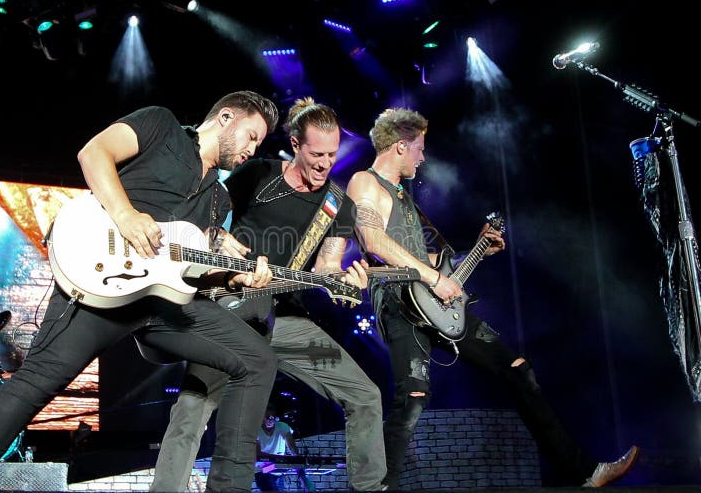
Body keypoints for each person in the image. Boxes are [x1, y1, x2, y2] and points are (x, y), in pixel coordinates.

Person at [0, 91, 282, 493]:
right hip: (101, 280)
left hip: (160, 306)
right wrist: (126, 215)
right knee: (36, 385)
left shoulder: (220, 199)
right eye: (251, 136)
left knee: (257, 360)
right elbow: (93, 153)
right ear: (226, 117)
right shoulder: (160, 125)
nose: (253, 149)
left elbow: (189, 273)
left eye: (258, 143)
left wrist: (233, 278)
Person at [345, 107, 640, 489]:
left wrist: (477, 251)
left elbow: (428, 260)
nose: (423, 156)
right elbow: (373, 241)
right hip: (399, 303)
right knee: (413, 397)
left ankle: (583, 472)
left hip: (438, 301)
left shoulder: (404, 198)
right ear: (400, 146)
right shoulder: (364, 183)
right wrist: (435, 276)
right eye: (419, 148)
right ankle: (379, 486)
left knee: (517, 369)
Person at [150, 98, 387, 492]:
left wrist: (344, 283)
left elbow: (327, 268)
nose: (326, 163)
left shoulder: (337, 205)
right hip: (232, 308)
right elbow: (208, 220)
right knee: (192, 408)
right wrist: (221, 248)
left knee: (365, 395)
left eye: (332, 154)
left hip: (287, 323)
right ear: (295, 145)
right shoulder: (257, 174)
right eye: (317, 153)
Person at [254, 403, 300, 492]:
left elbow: (291, 446)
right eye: (268, 417)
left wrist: (296, 458)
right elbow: (258, 454)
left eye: (273, 417)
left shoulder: (282, 426)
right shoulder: (256, 430)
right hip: (262, 470)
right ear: (262, 417)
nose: (271, 420)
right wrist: (278, 458)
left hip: (278, 470)